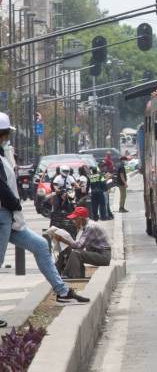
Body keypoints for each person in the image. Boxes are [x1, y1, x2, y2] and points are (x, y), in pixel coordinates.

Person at [0, 112, 89, 323]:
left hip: (10, 219)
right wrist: (14, 203)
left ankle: (62, 291)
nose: (7, 138)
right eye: (5, 134)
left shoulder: (3, 155)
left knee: (41, 246)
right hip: (3, 216)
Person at [53, 206, 112, 279]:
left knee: (76, 253)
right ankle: (72, 274)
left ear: (80, 219)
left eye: (75, 219)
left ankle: (74, 276)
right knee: (74, 252)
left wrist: (63, 240)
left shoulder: (90, 227)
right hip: (99, 253)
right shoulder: (86, 226)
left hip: (103, 256)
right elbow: (80, 244)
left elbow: (79, 246)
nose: (73, 222)